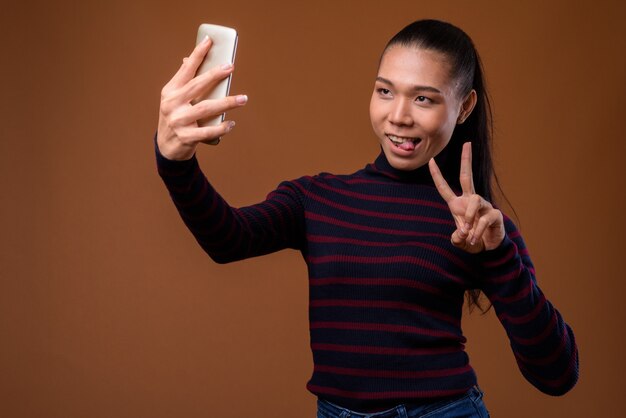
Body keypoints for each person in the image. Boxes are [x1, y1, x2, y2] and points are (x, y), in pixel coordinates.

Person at [155, 19, 579, 418]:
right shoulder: (317, 198)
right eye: (385, 92)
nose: (398, 116)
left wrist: (498, 255)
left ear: (464, 107)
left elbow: (557, 374)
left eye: (424, 98)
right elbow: (228, 240)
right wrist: (176, 163)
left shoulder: (482, 226)